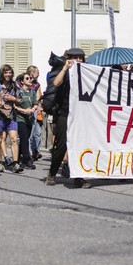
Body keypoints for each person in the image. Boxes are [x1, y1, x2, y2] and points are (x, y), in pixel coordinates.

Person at [47, 48, 91, 188]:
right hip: (65, 113)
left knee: (79, 146)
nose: (78, 60)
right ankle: (52, 173)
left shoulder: (87, 73)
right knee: (61, 145)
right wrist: (66, 67)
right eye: (75, 57)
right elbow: (56, 83)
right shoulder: (64, 71)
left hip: (81, 115)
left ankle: (78, 177)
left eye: (80, 58)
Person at [0, 64, 23, 173]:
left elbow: (20, 100)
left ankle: (15, 163)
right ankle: (0, 162)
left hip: (11, 116)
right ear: (2, 73)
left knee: (14, 139)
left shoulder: (14, 85)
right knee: (0, 140)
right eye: (6, 72)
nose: (8, 74)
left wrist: (13, 98)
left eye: (10, 72)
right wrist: (1, 103)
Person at [14, 72, 40, 170]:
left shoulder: (32, 91)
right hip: (20, 118)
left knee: (25, 139)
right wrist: (25, 110)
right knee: (24, 138)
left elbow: (35, 103)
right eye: (27, 78)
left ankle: (20, 158)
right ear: (22, 81)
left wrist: (33, 109)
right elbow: (15, 106)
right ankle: (27, 159)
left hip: (30, 118)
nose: (30, 80)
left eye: (30, 78)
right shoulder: (19, 92)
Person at [25, 65, 44, 161]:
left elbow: (39, 96)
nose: (39, 74)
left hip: (36, 109)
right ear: (32, 73)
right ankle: (29, 153)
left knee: (37, 132)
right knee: (30, 132)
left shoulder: (37, 85)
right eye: (37, 72)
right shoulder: (24, 83)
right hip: (28, 109)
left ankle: (35, 151)